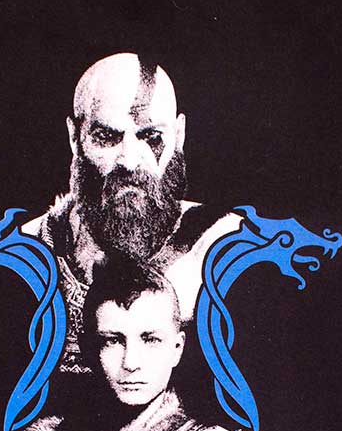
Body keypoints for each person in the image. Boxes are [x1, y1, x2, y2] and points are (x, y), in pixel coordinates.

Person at [21, 52, 242, 374]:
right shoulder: (26, 253)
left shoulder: (225, 251)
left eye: (151, 137)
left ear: (179, 135)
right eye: (106, 137)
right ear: (74, 137)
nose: (129, 160)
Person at [18, 256, 246, 431]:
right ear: (87, 350)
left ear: (177, 349)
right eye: (112, 341)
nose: (131, 362)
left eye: (151, 340)